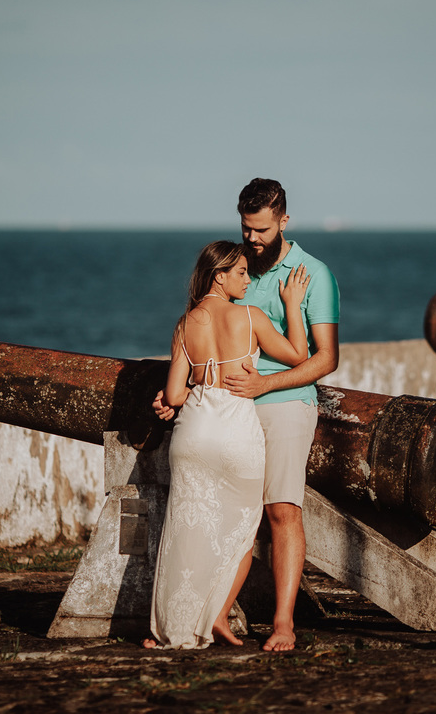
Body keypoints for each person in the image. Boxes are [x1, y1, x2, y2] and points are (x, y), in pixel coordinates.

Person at [145, 240, 312, 649]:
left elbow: (176, 393)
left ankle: (169, 631)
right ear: (218, 275)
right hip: (236, 431)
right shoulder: (251, 317)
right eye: (240, 272)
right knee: (240, 531)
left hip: (194, 431)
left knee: (185, 530)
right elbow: (299, 354)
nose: (247, 278)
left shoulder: (185, 324)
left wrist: (166, 404)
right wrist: (292, 304)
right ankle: (214, 616)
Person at [223, 178, 341, 652]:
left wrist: (265, 384)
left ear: (284, 221)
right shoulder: (234, 268)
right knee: (228, 513)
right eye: (246, 229)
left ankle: (284, 623)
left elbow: (326, 358)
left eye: (262, 230)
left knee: (281, 511)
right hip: (230, 403)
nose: (252, 240)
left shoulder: (314, 273)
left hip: (287, 401)